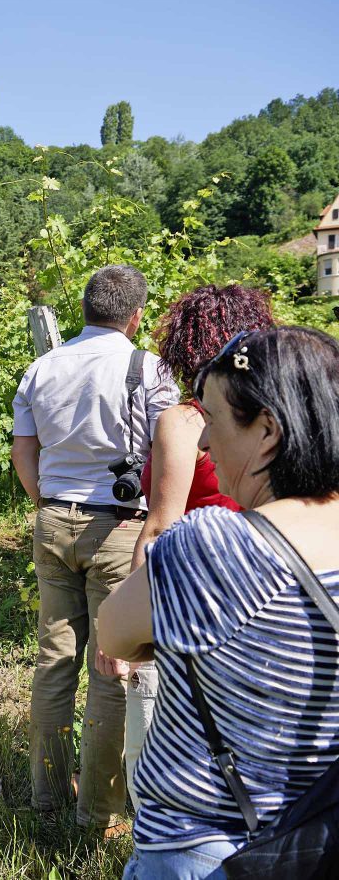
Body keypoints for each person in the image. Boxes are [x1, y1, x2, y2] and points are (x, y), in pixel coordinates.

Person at [99, 326, 339, 879]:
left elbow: (114, 631)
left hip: (208, 846)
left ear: (268, 432)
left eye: (213, 418)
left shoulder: (215, 545)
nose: (202, 443)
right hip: (314, 842)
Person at [10, 265, 178, 834]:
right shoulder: (148, 368)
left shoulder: (41, 367)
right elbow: (171, 446)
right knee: (112, 671)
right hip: (119, 529)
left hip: (53, 520)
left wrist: (47, 500)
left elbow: (23, 451)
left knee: (54, 661)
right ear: (135, 316)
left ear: (84, 308)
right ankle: (96, 813)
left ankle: (45, 796)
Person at [104, 284, 273, 806]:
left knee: (171, 737)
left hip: (193, 587)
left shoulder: (184, 420)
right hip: (264, 582)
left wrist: (131, 624)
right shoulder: (272, 415)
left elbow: (158, 528)